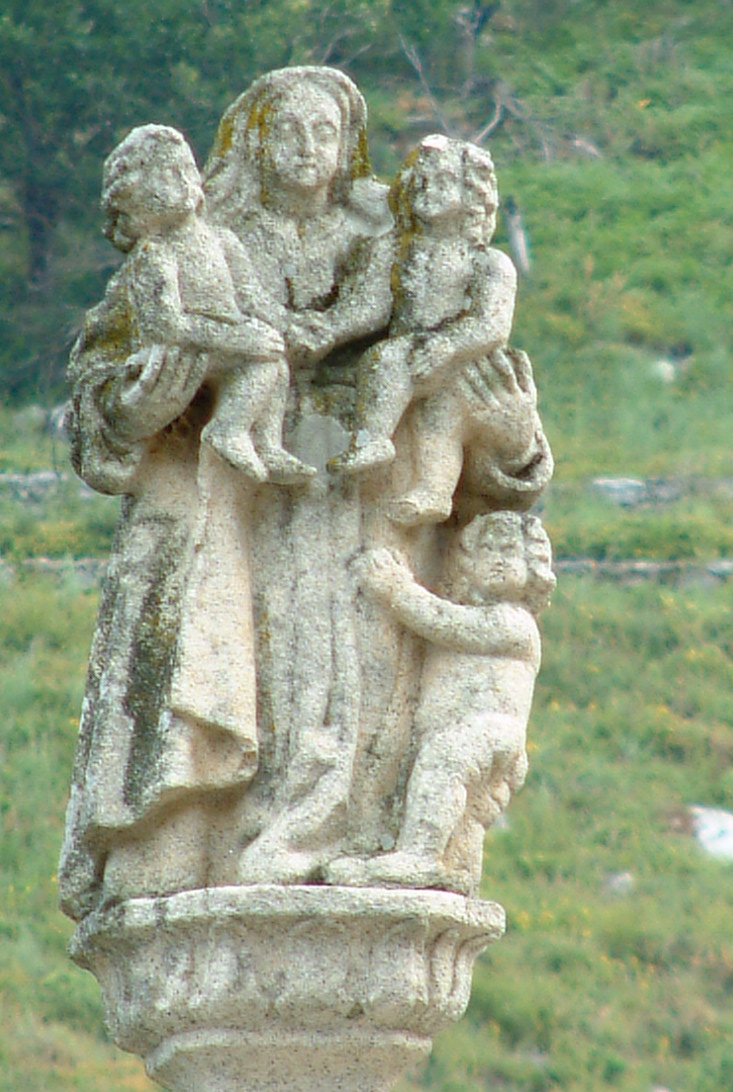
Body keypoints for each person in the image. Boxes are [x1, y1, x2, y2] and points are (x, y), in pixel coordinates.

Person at [59, 67, 555, 918]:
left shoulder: (392, 236)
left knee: (358, 699)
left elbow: (480, 421)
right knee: (241, 679)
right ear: (253, 143)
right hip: (241, 512)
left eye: (325, 131)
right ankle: (211, 841)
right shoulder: (199, 236)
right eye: (286, 130)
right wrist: (136, 404)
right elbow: (103, 387)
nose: (306, 149)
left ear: (347, 143)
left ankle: (353, 840)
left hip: (367, 510)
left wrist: (513, 439)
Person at [330, 512, 555, 894]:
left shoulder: (514, 622)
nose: (497, 560)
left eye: (508, 551)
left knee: (443, 763)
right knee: (465, 815)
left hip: (489, 732)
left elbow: (445, 623)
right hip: (471, 735)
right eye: (486, 551)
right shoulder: (491, 615)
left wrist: (395, 589)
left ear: (533, 566)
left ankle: (419, 857)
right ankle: (458, 867)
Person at [99, 124, 314, 485]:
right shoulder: (155, 253)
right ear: (136, 200)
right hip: (182, 353)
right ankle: (228, 430)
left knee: (274, 361)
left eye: (184, 169)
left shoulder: (222, 240)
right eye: (164, 176)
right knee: (261, 357)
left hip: (221, 339)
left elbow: (252, 297)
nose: (181, 181)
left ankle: (266, 444)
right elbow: (167, 326)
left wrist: (287, 325)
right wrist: (237, 339)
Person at [330, 136, 516, 526]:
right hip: (411, 355)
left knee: (440, 418)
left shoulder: (488, 263)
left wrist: (449, 345)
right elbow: (370, 308)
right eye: (421, 181)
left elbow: (492, 324)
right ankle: (374, 439)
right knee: (385, 362)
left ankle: (434, 490)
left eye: (443, 181)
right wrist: (327, 328)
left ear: (472, 195)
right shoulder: (395, 252)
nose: (428, 190)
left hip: (463, 360)